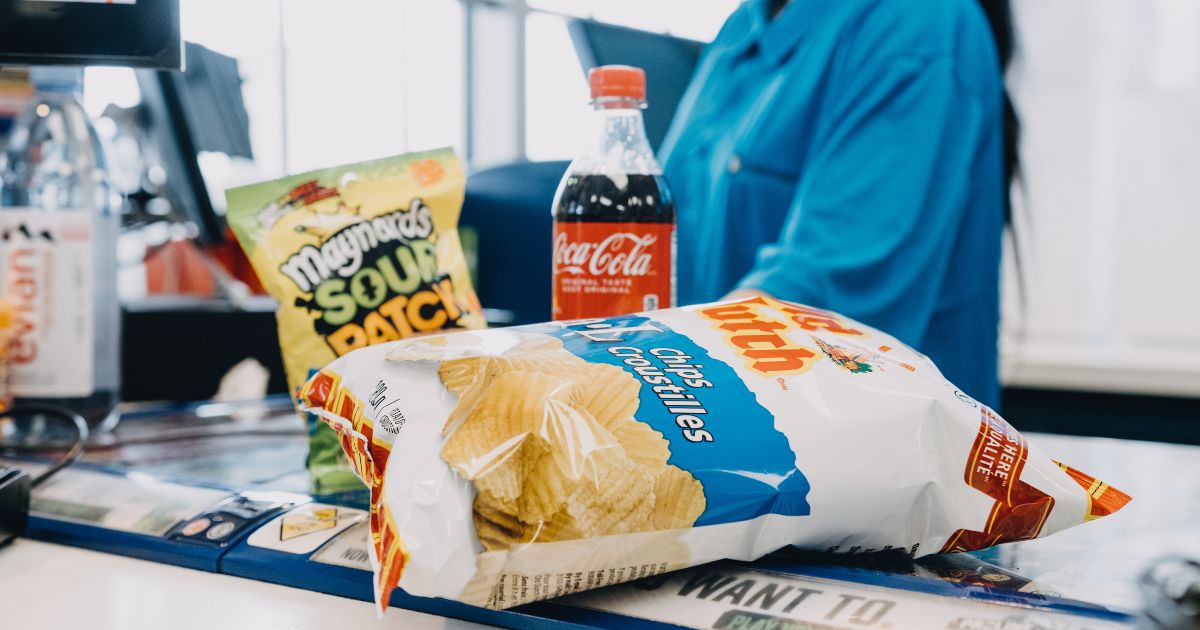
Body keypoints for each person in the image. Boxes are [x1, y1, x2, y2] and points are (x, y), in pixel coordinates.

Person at [660, 0, 1015, 409]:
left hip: (870, 450)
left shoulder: (917, 21)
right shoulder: (743, 27)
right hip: (714, 421)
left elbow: (816, 292)